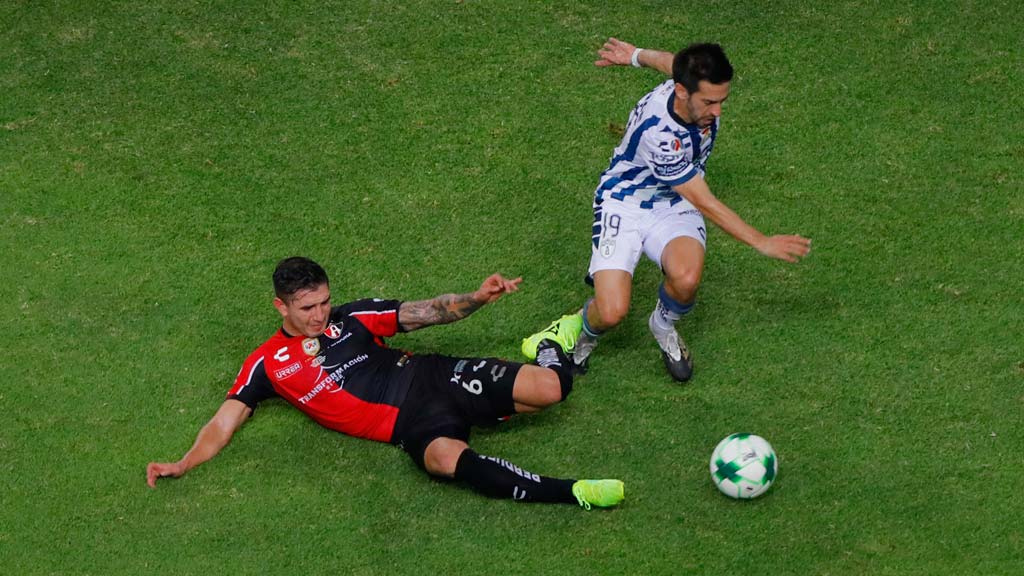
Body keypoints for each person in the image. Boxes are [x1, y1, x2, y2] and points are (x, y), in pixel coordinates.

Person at [146, 257, 623, 509]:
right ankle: (572, 492)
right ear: (281, 307)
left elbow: (427, 312)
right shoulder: (266, 365)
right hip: (410, 425)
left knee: (551, 391)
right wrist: (184, 463)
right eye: (306, 308)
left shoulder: (352, 317)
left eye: (323, 303)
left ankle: (552, 341)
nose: (319, 315)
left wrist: (477, 297)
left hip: (435, 377)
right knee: (442, 460)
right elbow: (224, 421)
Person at [523, 38, 811, 382]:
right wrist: (760, 241)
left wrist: (633, 56)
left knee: (686, 278)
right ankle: (582, 331)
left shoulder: (685, 82)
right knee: (612, 312)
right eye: (709, 102)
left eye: (722, 101)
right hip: (625, 202)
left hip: (673, 204)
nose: (717, 112)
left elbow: (671, 62)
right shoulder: (659, 133)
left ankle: (662, 327)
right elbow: (705, 200)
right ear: (682, 92)